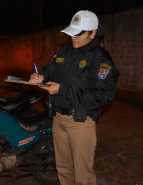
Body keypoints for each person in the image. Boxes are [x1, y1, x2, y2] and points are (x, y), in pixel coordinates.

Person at [29, 10, 119, 185]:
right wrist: (40, 75)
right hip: (58, 118)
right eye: (72, 33)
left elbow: (101, 96)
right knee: (63, 169)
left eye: (79, 34)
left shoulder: (100, 58)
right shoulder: (65, 50)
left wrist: (61, 90)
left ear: (93, 33)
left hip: (80, 122)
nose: (73, 38)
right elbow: (51, 69)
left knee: (82, 175)